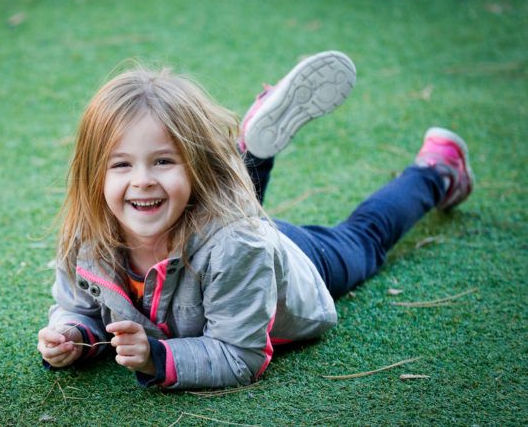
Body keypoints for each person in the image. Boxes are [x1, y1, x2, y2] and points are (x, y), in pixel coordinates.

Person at [37, 51, 474, 389]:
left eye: (163, 160)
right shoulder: (86, 236)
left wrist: (156, 356)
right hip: (213, 227)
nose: (143, 181)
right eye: (121, 165)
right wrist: (71, 335)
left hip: (293, 260)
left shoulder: (239, 247)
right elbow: (79, 307)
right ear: (93, 175)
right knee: (221, 215)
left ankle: (437, 170)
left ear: (195, 165)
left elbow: (239, 355)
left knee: (365, 238)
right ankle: (249, 154)